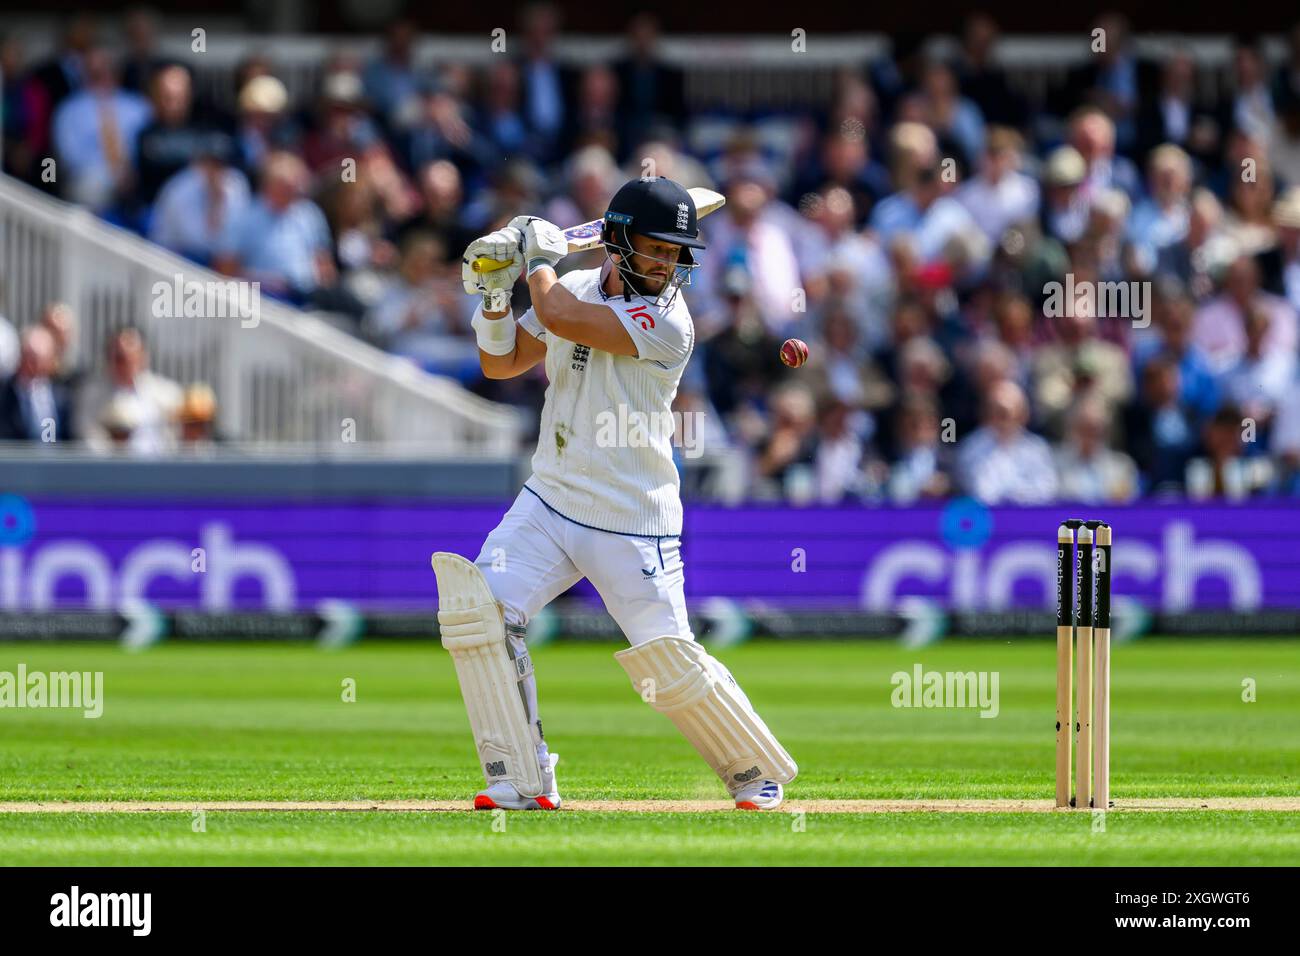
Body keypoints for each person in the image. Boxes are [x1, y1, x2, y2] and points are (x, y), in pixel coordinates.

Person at [434, 176, 797, 812]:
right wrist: (494, 295)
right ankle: (522, 779)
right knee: (482, 613)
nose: (665, 264)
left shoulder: (668, 322)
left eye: (675, 253)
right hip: (550, 495)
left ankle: (753, 770)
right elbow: (502, 363)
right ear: (620, 242)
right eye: (654, 248)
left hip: (632, 516)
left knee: (667, 663)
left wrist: (537, 257)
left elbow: (560, 316)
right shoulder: (573, 286)